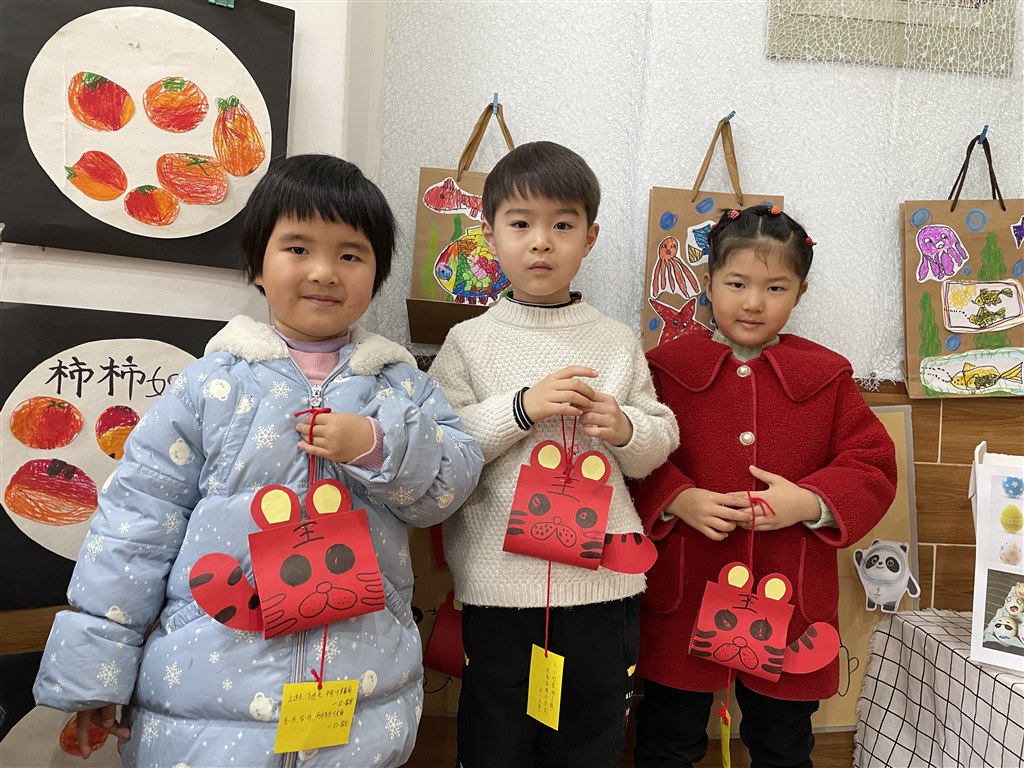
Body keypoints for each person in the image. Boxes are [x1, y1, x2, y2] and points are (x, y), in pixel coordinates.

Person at [33, 154, 484, 767]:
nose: (324, 271)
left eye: (351, 255)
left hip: (360, 695)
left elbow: (451, 485)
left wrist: (380, 444)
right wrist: (98, 672)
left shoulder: (401, 388)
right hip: (209, 697)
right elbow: (133, 526)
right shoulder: (207, 386)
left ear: (376, 274)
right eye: (298, 248)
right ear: (257, 266)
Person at [429, 141, 680, 768]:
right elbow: (441, 446)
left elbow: (657, 441)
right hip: (498, 586)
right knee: (494, 741)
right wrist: (522, 407)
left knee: (590, 741)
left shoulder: (616, 340)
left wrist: (624, 428)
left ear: (590, 238)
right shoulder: (467, 342)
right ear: (490, 235)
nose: (541, 242)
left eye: (562, 226)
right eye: (520, 224)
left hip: (603, 585)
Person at [630, 204, 898, 768]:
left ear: (800, 292)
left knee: (782, 742)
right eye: (737, 284)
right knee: (668, 735)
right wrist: (678, 498)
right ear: (709, 284)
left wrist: (808, 501)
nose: (753, 302)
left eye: (775, 287)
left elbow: (872, 464)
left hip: (788, 591)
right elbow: (631, 454)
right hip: (686, 589)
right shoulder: (664, 369)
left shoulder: (826, 375)